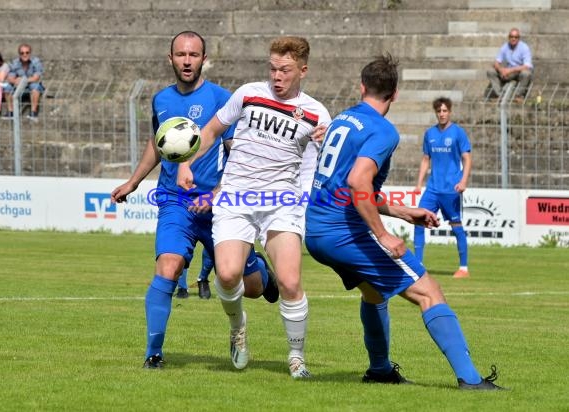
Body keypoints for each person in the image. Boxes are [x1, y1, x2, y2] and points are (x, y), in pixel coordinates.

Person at [305, 53, 503, 390]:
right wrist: (383, 235)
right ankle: (471, 380)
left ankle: (380, 371)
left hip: (316, 230)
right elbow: (357, 183)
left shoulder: (343, 118)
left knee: (374, 293)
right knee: (429, 291)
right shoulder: (383, 131)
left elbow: (348, 185)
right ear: (394, 94)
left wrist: (402, 211)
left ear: (362, 86)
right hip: (343, 232)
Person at [110, 31, 279, 370]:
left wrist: (219, 193)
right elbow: (159, 144)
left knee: (252, 288)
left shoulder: (221, 99)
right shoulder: (160, 99)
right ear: (170, 58)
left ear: (204, 59)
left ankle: (259, 268)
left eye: (194, 55)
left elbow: (239, 153)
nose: (187, 61)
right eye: (180, 54)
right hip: (175, 201)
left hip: (221, 206)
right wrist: (133, 181)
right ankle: (154, 353)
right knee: (168, 267)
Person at [177, 36, 331, 378]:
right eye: (273, 68)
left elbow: (324, 164)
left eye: (285, 70)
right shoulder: (248, 93)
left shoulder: (317, 113)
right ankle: (238, 328)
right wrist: (186, 163)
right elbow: (212, 130)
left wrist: (323, 143)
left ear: (302, 70)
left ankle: (296, 356)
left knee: (290, 282)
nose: (277, 76)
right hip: (236, 196)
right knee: (230, 274)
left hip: (282, 202)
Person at [413, 97, 471, 279]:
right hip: (432, 189)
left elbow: (467, 159)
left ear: (450, 112)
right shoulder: (429, 134)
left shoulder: (458, 133)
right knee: (418, 221)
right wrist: (419, 183)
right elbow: (425, 159)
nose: (442, 114)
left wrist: (463, 181)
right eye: (439, 111)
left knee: (456, 227)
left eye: (445, 111)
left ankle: (463, 268)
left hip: (450, 189)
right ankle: (418, 266)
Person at [486, 28, 533, 103]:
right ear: (509, 37)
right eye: (511, 37)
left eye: (516, 37)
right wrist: (501, 70)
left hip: (518, 72)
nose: (513, 39)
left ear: (518, 38)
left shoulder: (524, 48)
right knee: (490, 71)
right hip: (507, 72)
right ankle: (499, 95)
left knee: (526, 73)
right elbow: (496, 62)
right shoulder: (505, 47)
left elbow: (527, 66)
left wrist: (510, 70)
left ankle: (519, 96)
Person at [2, 43, 45, 120]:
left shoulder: (36, 62)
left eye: (27, 52)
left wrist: (22, 80)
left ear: (30, 53)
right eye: (22, 53)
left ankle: (33, 113)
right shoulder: (15, 62)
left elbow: (36, 78)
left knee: (34, 86)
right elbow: (10, 77)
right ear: (19, 54)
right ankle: (10, 112)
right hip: (19, 87)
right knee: (7, 87)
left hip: (31, 85)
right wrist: (15, 80)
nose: (25, 54)